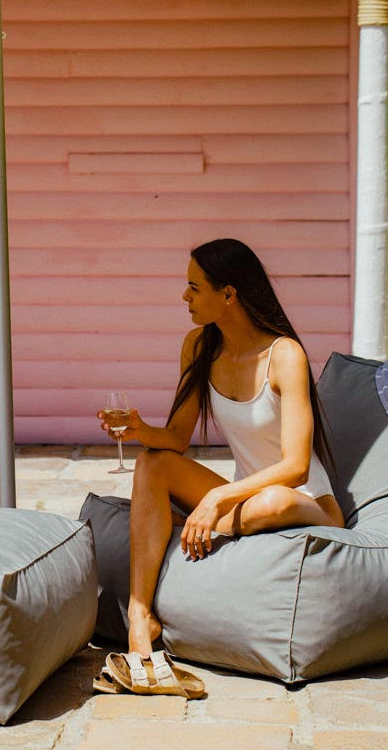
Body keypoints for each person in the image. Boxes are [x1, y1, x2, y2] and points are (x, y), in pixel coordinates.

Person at [100, 238, 344, 696]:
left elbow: (294, 466)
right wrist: (139, 429)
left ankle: (180, 526)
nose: (184, 297)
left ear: (228, 294)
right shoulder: (198, 347)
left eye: (194, 287)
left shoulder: (284, 355)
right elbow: (175, 440)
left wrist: (216, 497)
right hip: (243, 504)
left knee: (270, 501)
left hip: (304, 500)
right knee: (152, 465)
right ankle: (139, 616)